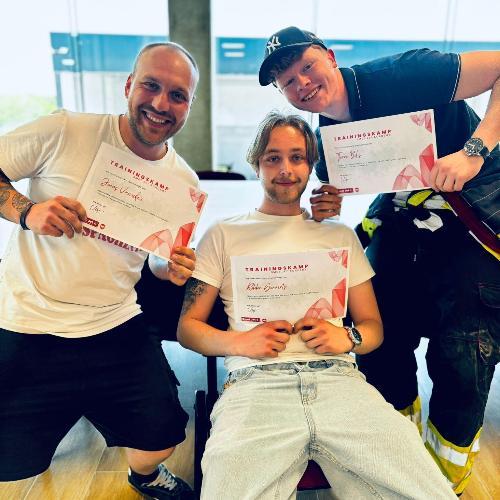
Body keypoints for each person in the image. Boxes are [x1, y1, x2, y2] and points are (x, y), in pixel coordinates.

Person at [258, 26, 500, 494]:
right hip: (405, 224)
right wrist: (328, 204)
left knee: (463, 350)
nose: (301, 82)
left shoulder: (405, 75)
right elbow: (349, 190)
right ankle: (398, 452)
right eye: (287, 81)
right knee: (378, 333)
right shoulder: (328, 141)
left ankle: (445, 480)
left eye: (307, 66)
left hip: (476, 218)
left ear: (330, 56)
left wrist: (474, 151)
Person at [177, 111, 455, 499]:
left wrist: (348, 337)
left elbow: (373, 329)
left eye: (297, 157)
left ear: (310, 166)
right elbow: (187, 328)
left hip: (339, 381)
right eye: (273, 157)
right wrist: (240, 342)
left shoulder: (339, 236)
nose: (285, 169)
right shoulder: (222, 233)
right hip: (256, 386)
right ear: (256, 163)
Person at [0, 42, 199, 499]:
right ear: (129, 86)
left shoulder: (183, 184)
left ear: (188, 106)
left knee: (164, 437)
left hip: (114, 321)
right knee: (9, 463)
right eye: (151, 86)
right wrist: (27, 211)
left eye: (177, 95)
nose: (161, 104)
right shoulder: (66, 130)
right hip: (28, 318)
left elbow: (153, 260)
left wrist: (170, 269)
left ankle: (143, 475)